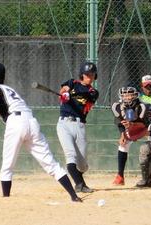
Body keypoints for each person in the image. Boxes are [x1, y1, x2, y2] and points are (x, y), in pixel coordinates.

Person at [0, 62, 82, 202]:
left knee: (7, 165)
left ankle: (6, 199)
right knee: (51, 163)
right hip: (31, 120)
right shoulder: (8, 89)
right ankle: (74, 196)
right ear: (3, 77)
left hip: (16, 122)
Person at [57, 62, 99, 193]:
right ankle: (80, 184)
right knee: (70, 156)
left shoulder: (93, 92)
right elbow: (63, 90)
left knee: (82, 166)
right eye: (87, 74)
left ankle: (80, 179)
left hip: (79, 125)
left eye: (92, 75)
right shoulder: (72, 82)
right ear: (82, 75)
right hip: (63, 124)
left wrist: (72, 97)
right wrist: (64, 93)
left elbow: (86, 98)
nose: (89, 77)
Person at [111, 86, 150, 185]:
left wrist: (132, 125)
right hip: (131, 129)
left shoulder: (143, 106)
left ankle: (150, 177)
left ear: (135, 95)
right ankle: (120, 176)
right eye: (125, 95)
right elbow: (121, 123)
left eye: (130, 95)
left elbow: (145, 124)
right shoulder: (117, 107)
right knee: (123, 145)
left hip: (145, 129)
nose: (127, 97)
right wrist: (122, 135)